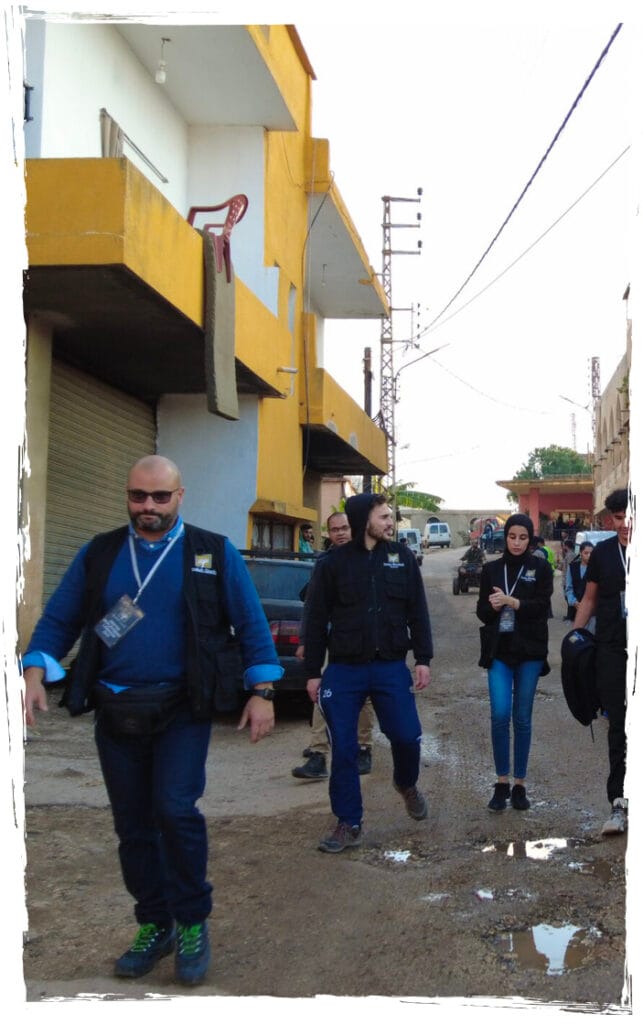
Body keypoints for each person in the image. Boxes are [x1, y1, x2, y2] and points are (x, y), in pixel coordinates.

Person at [21, 455, 282, 986]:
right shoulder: (100, 552)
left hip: (182, 707)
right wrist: (33, 670)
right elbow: (60, 617)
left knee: (175, 810)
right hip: (116, 709)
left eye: (160, 497)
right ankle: (155, 923)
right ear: (127, 495)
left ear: (179, 496)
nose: (148, 506)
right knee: (133, 825)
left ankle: (191, 921)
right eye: (138, 496)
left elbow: (251, 622)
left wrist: (262, 692)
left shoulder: (212, 551)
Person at [304, 492, 433, 853]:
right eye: (384, 517)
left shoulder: (401, 557)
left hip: (389, 665)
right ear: (365, 521)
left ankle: (405, 783)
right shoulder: (332, 564)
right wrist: (312, 671)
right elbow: (315, 619)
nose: (391, 522)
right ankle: (349, 822)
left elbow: (417, 611)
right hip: (344, 669)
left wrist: (423, 658)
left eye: (391, 516)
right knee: (344, 747)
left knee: (406, 736)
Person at [476, 514, 553, 813]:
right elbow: (482, 613)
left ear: (530, 539)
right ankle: (501, 782)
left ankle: (520, 784)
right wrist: (494, 606)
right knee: (499, 715)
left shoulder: (541, 568)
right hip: (500, 651)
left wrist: (513, 602)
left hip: (530, 651)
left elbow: (542, 608)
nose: (517, 543)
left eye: (523, 538)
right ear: (505, 537)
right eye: (512, 537)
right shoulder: (492, 569)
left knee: (521, 717)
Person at [292, 511, 375, 781]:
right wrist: (305, 641)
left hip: (362, 642)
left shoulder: (369, 558)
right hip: (329, 641)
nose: (340, 533)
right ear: (329, 533)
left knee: (364, 696)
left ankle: (364, 748)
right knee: (322, 694)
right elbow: (311, 608)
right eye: (335, 529)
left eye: (344, 528)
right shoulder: (324, 562)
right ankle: (318, 754)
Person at [573, 488, 630, 836]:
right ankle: (618, 804)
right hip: (611, 651)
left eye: (630, 517)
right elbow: (589, 600)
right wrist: (574, 640)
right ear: (610, 519)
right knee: (618, 727)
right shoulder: (603, 555)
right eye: (619, 518)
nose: (625, 524)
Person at [564, 541, 594, 626]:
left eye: (591, 553)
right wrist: (574, 602)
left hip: (592, 611)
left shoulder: (596, 568)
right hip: (575, 608)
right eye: (586, 553)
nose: (589, 555)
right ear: (580, 553)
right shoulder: (572, 567)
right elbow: (569, 588)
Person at [561, 539, 579, 620]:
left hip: (568, 580)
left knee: (568, 597)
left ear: (566, 546)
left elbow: (570, 568)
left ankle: (571, 615)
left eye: (564, 545)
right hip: (566, 579)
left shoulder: (570, 555)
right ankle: (570, 615)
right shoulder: (569, 554)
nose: (563, 547)